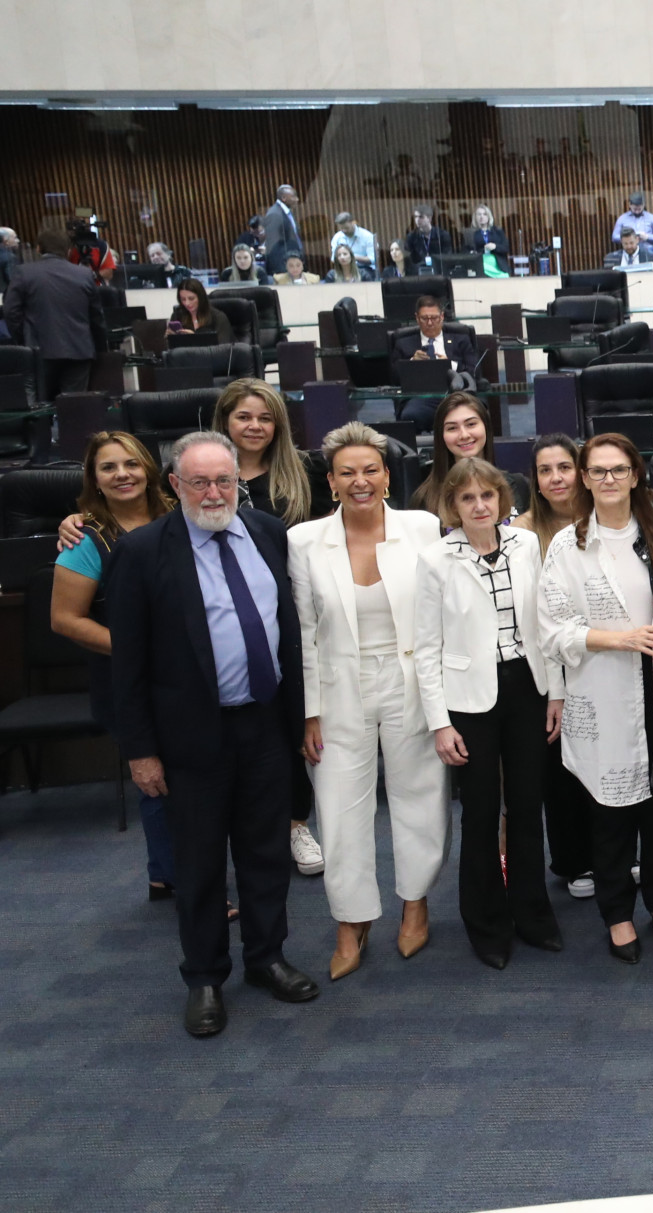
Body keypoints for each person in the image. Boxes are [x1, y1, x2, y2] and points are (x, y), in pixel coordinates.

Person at [109, 430, 316, 1037]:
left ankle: (267, 957)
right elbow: (128, 665)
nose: (213, 493)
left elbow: (287, 630)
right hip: (190, 736)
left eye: (224, 480)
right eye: (199, 482)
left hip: (265, 724)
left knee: (265, 852)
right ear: (175, 484)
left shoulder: (268, 533)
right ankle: (203, 977)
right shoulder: (143, 551)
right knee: (199, 863)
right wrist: (140, 751)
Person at [287, 423, 448, 981]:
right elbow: (304, 631)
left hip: (411, 685)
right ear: (331, 482)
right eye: (347, 472)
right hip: (337, 692)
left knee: (420, 797)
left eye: (370, 470)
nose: (360, 481)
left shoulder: (422, 528)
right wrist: (308, 711)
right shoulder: (304, 541)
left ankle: (415, 903)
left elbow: (439, 615)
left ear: (386, 476)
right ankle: (350, 920)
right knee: (338, 807)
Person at [538, 435, 653, 963]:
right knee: (609, 813)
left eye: (618, 469)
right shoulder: (567, 546)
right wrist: (621, 639)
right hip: (599, 690)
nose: (608, 480)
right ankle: (618, 914)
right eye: (597, 471)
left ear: (636, 474)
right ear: (583, 477)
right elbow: (553, 631)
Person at [414, 458, 564, 970]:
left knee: (526, 805)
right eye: (467, 498)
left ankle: (532, 914)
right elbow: (426, 646)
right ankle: (487, 925)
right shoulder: (435, 559)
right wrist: (440, 722)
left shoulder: (526, 545)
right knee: (480, 812)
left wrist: (556, 693)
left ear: (502, 499)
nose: (480, 506)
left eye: (488, 496)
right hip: (467, 697)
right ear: (452, 506)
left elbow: (545, 624)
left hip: (527, 685)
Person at [52, 433, 176, 899]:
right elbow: (65, 619)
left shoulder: (178, 515)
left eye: (131, 464)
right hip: (127, 680)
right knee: (159, 778)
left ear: (148, 469)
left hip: (184, 675)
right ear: (95, 480)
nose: (122, 474)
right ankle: (185, 881)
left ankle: (163, 873)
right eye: (108, 467)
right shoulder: (84, 537)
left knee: (182, 777)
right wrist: (136, 650)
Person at [513, 435, 596, 899]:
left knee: (609, 756)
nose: (556, 478)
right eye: (545, 471)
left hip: (602, 654)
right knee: (560, 768)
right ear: (535, 480)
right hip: (548, 666)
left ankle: (617, 852)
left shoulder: (603, 517)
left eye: (564, 467)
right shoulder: (523, 532)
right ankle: (575, 860)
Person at [5, 227, 104, 400]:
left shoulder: (24, 273)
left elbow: (11, 312)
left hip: (39, 350)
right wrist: (101, 349)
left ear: (38, 248)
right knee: (75, 406)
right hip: (79, 350)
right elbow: (96, 316)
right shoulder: (84, 274)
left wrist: (25, 339)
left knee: (41, 407)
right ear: (68, 250)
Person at [413, 393, 526, 522]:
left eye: (471, 424)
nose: (464, 435)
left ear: (486, 427)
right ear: (441, 436)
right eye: (452, 428)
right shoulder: (424, 499)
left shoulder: (519, 486)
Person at [395, 296, 480, 427]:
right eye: (424, 318)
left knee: (468, 413)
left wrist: (449, 365)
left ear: (442, 316)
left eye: (434, 318)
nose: (430, 323)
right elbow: (394, 378)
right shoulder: (404, 343)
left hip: (455, 395)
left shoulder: (461, 339)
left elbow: (474, 371)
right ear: (417, 318)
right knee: (410, 415)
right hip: (420, 397)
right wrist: (412, 362)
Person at [169, 278, 235, 344]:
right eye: (183, 299)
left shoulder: (218, 317)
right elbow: (173, 348)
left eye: (191, 299)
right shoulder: (177, 316)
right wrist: (170, 338)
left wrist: (194, 338)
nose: (187, 303)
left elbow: (222, 347)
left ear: (200, 297)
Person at [262, 185, 303, 273]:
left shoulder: (286, 212)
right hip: (282, 266)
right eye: (293, 196)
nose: (297, 199)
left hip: (292, 264)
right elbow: (273, 245)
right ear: (284, 198)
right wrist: (281, 269)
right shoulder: (274, 214)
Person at [611, 192, 653, 258]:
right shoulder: (622, 218)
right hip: (629, 251)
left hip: (648, 252)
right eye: (635, 209)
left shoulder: (651, 218)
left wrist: (647, 237)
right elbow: (614, 237)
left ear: (643, 205)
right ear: (630, 205)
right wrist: (629, 237)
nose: (637, 211)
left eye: (639, 209)